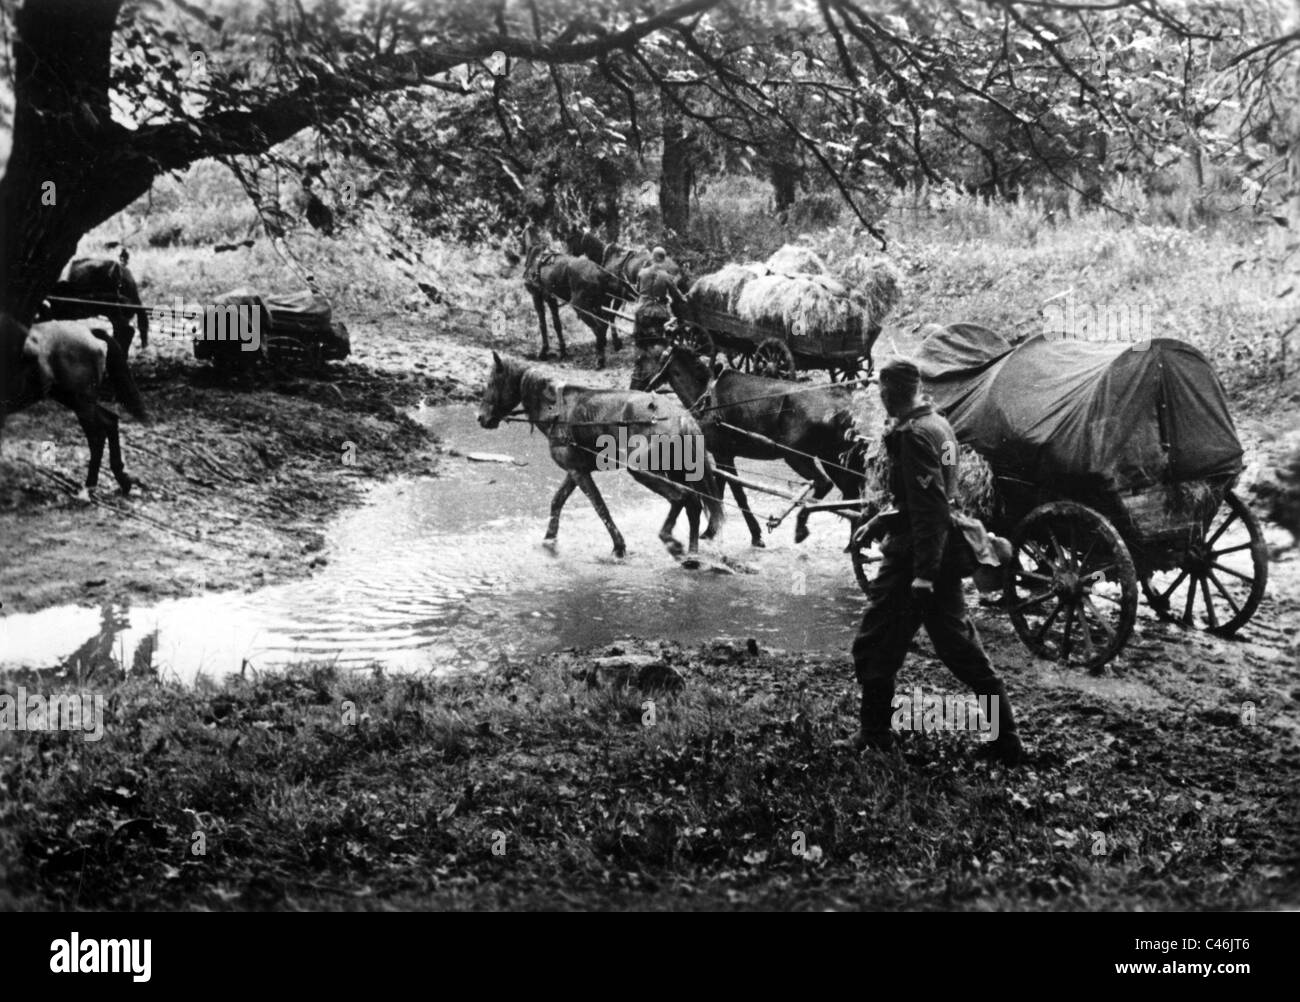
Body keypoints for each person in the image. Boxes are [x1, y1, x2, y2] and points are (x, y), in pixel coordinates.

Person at [844, 357, 1024, 765]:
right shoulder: (938, 425)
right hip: (938, 554)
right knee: (962, 649)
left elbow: (929, 511)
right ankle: (1006, 738)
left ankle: (874, 735)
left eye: (881, 390)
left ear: (889, 391)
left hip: (915, 560)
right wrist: (879, 519)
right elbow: (933, 499)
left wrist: (923, 575)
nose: (881, 397)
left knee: (873, 644)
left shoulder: (914, 435)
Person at [629, 247, 686, 391]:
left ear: (653, 258)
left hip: (641, 312)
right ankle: (656, 375)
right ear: (663, 259)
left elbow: (638, 289)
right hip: (658, 313)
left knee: (640, 342)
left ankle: (639, 373)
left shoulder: (642, 273)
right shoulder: (666, 276)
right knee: (658, 343)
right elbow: (677, 296)